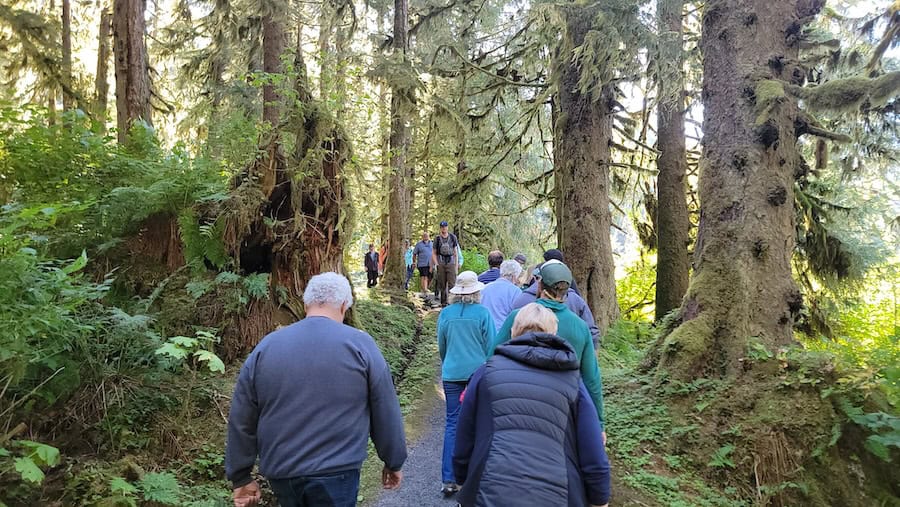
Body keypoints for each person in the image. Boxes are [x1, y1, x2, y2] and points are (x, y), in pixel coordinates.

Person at [225, 272, 406, 507]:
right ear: (344, 306)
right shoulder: (360, 345)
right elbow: (384, 407)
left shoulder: (267, 347)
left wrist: (240, 476)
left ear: (305, 304)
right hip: (337, 471)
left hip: (283, 472)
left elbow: (242, 416)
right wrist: (393, 461)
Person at [453, 304, 611, 507]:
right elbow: (592, 448)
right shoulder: (573, 381)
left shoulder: (486, 373)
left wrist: (462, 477)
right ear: (554, 333)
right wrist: (599, 499)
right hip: (558, 494)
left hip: (491, 489)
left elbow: (465, 433)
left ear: (513, 332)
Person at [494, 260, 606, 443]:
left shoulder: (519, 317)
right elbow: (591, 378)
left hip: (517, 404)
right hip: (563, 411)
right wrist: (599, 423)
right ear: (566, 291)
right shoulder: (580, 326)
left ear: (539, 284)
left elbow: (492, 356)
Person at [437, 271, 495, 497]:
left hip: (451, 374)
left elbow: (442, 345)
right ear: (476, 292)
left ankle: (449, 479)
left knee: (453, 423)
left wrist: (449, 363)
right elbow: (491, 346)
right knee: (479, 424)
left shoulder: (446, 314)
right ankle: (473, 477)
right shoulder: (482, 313)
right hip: (477, 375)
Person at [512, 262, 601, 347]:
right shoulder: (581, 326)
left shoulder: (518, 313)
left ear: (539, 284)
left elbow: (499, 350)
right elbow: (593, 338)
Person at [479, 260, 524, 331]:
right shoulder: (516, 291)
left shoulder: (485, 287)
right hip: (502, 332)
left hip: (483, 330)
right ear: (514, 276)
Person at [432, 221, 460, 307]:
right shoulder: (437, 239)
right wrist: (436, 264)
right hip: (441, 262)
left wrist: (456, 265)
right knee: (442, 284)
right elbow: (434, 252)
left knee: (452, 284)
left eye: (445, 227)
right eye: (442, 227)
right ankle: (443, 303)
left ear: (447, 227)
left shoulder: (452, 237)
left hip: (451, 262)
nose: (444, 228)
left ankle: (452, 302)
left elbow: (456, 252)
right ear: (440, 228)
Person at [413, 232, 433, 297]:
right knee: (424, 276)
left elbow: (435, 253)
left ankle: (426, 288)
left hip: (430, 263)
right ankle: (424, 289)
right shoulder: (419, 244)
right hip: (422, 263)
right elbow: (414, 254)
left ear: (429, 236)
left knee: (430, 276)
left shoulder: (432, 244)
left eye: (426, 235)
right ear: (422, 237)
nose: (425, 237)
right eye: (424, 236)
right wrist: (414, 262)